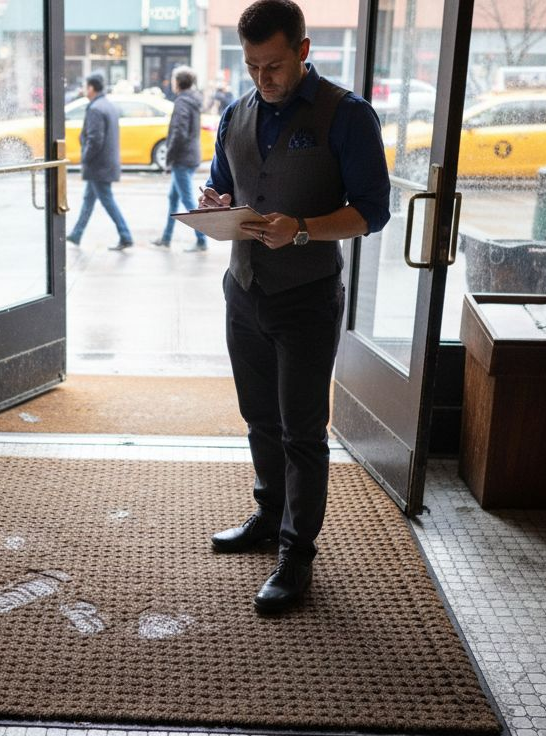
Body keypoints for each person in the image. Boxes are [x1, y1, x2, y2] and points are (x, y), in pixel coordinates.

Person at [201, 0, 390, 615]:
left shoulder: (347, 114)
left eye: (274, 65)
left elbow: (373, 211)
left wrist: (303, 229)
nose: (264, 78)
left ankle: (296, 553)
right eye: (252, 66)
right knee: (259, 418)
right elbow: (224, 184)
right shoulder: (235, 114)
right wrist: (216, 203)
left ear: (303, 51)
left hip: (307, 297)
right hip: (243, 290)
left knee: (302, 431)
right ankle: (268, 515)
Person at [66, 73, 133, 250]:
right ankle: (76, 234)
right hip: (104, 163)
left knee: (107, 201)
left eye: (85, 86)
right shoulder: (107, 105)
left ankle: (125, 235)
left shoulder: (96, 108)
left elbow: (95, 139)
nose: (83, 89)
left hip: (98, 165)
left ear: (91, 88)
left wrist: (84, 158)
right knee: (88, 199)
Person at [151, 66, 208, 252]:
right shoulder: (192, 100)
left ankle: (202, 240)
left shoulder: (182, 102)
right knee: (173, 198)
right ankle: (166, 238)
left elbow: (179, 133)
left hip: (182, 158)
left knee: (188, 200)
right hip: (190, 155)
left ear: (178, 83)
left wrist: (169, 158)